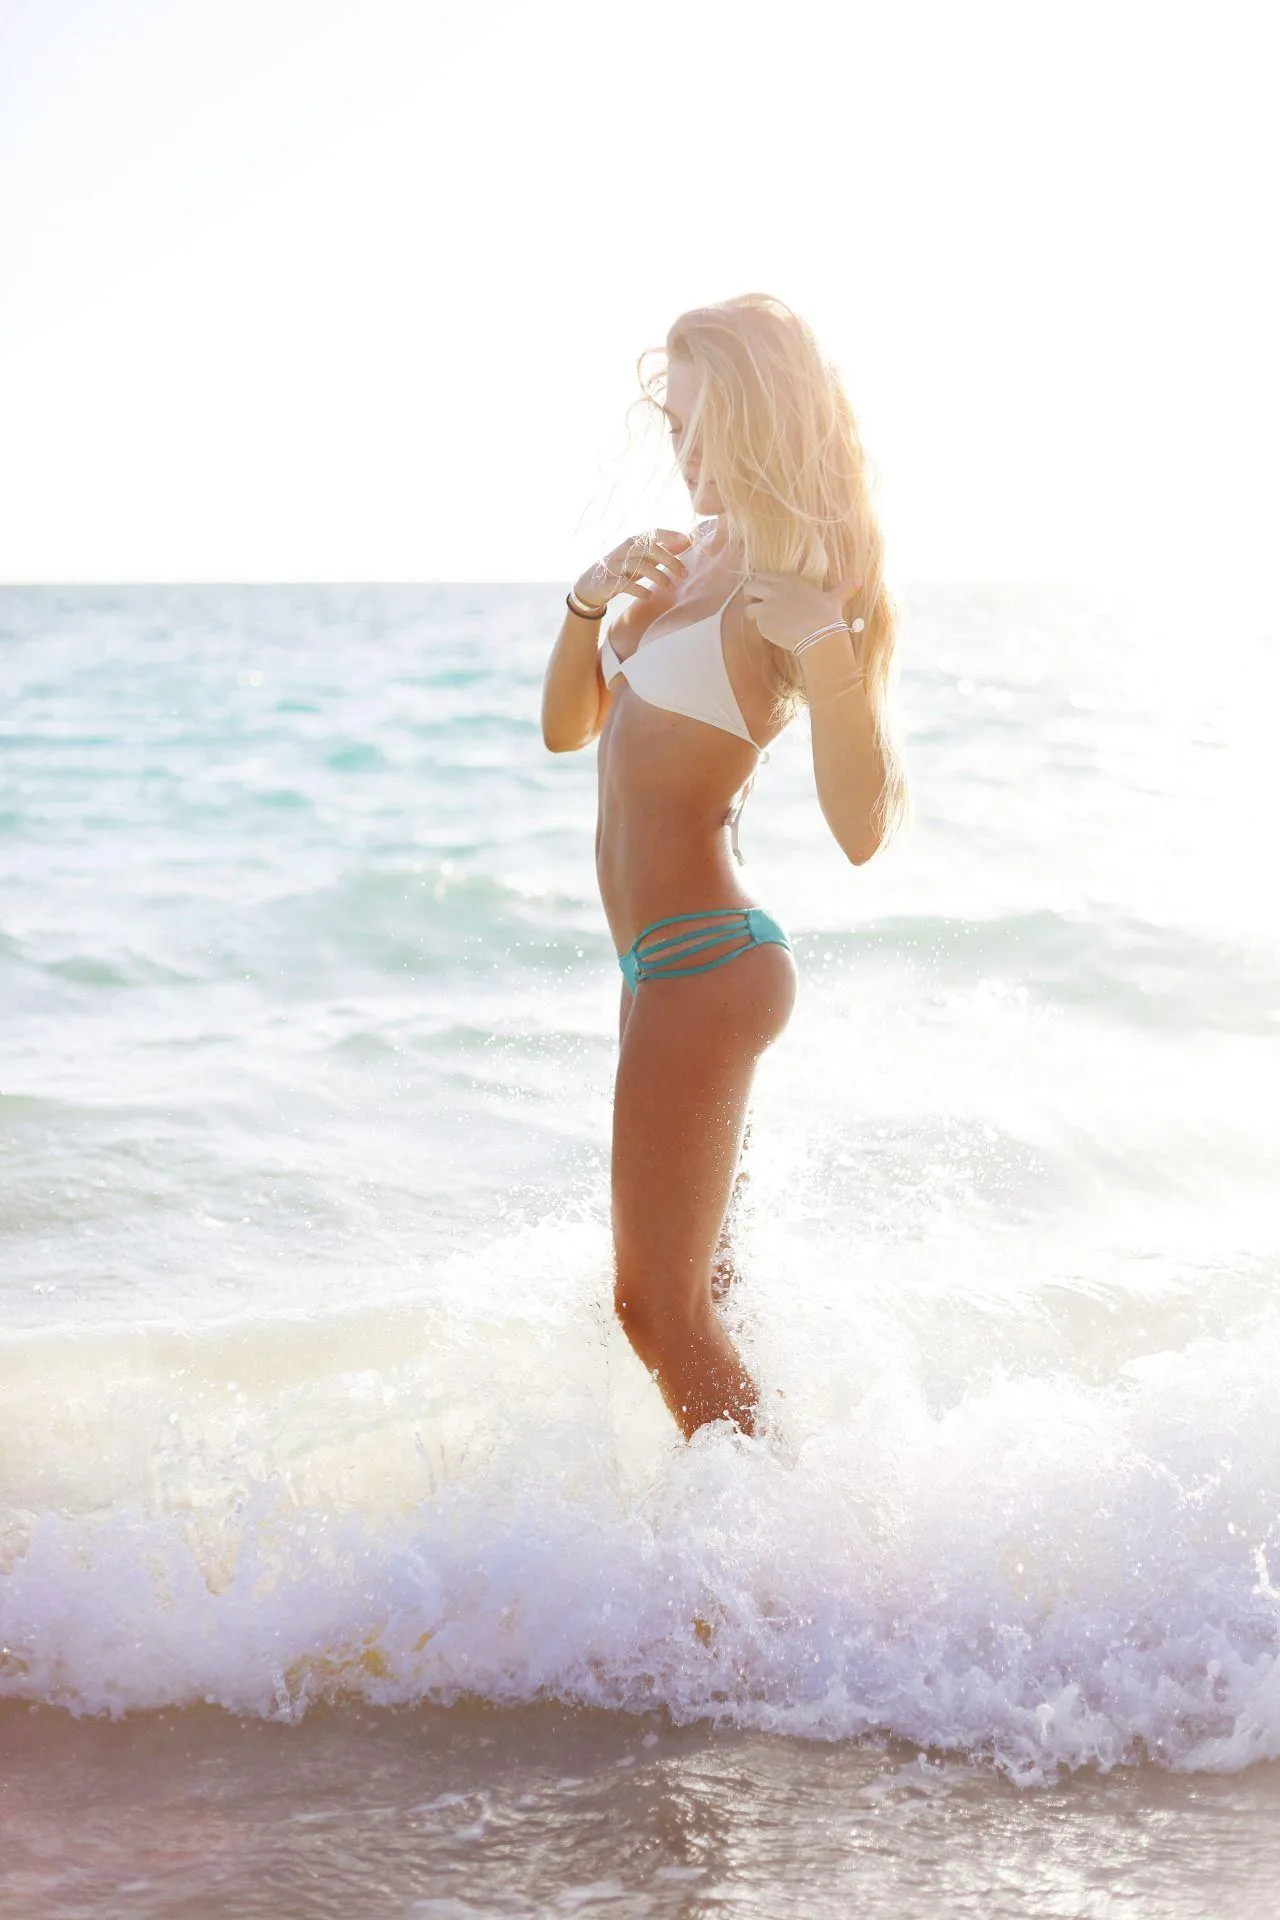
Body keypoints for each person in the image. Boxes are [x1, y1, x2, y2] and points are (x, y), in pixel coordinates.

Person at [540, 293, 908, 1442]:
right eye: (674, 426)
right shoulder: (690, 558)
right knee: (701, 1297)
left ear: (760, 419)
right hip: (658, 969)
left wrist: (827, 653)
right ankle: (766, 1551)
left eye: (705, 424)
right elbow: (567, 731)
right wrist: (588, 605)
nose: (685, 451)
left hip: (707, 964)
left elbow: (860, 829)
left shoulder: (801, 579)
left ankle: (777, 1593)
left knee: (654, 1308)